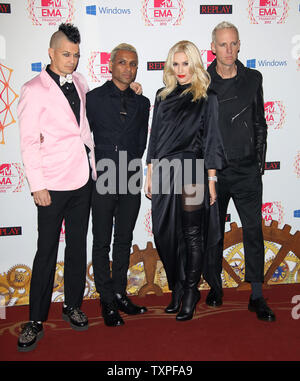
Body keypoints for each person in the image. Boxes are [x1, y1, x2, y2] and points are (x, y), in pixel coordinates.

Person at [17, 23, 97, 352]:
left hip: (82, 180)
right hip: (50, 184)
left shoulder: (80, 82)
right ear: (51, 52)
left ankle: (72, 305)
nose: (72, 61)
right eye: (66, 54)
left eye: (76, 55)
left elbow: (85, 130)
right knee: (47, 251)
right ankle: (36, 319)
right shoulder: (33, 89)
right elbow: (27, 143)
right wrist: (37, 184)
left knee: (77, 247)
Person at [144, 40, 226, 321]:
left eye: (185, 63)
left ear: (195, 64)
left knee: (192, 235)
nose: (180, 69)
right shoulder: (161, 96)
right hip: (165, 170)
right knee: (165, 234)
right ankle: (177, 287)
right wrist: (150, 172)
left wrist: (212, 180)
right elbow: (154, 138)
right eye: (175, 64)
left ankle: (191, 291)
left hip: (193, 170)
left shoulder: (207, 97)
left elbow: (213, 139)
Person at [204, 21, 276, 322]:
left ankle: (256, 294)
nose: (229, 49)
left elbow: (260, 122)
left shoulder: (253, 78)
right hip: (214, 173)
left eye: (233, 43)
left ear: (239, 45)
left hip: (247, 170)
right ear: (213, 48)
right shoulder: (201, 80)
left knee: (253, 232)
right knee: (212, 233)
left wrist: (258, 163)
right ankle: (215, 286)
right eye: (223, 44)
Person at [86, 43, 150, 327]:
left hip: (131, 177)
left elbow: (141, 141)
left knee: (123, 240)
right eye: (122, 62)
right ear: (110, 65)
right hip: (103, 177)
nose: (128, 68)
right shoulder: (93, 98)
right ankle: (106, 300)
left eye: (133, 63)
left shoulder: (143, 102)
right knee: (101, 242)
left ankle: (121, 293)